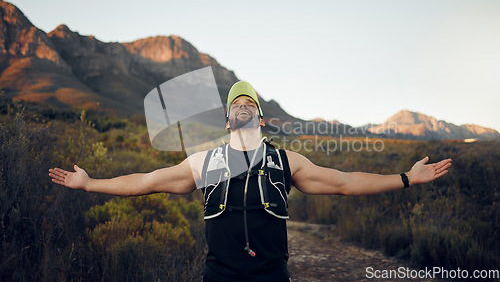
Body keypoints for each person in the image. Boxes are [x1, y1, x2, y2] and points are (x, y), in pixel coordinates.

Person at [49, 81, 452, 282]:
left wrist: (404, 178)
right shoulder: (203, 162)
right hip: (219, 276)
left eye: (250, 106)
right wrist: (90, 184)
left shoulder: (285, 160)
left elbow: (345, 182)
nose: (242, 108)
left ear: (260, 119)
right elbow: (144, 181)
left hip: (273, 277)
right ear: (227, 120)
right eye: (235, 106)